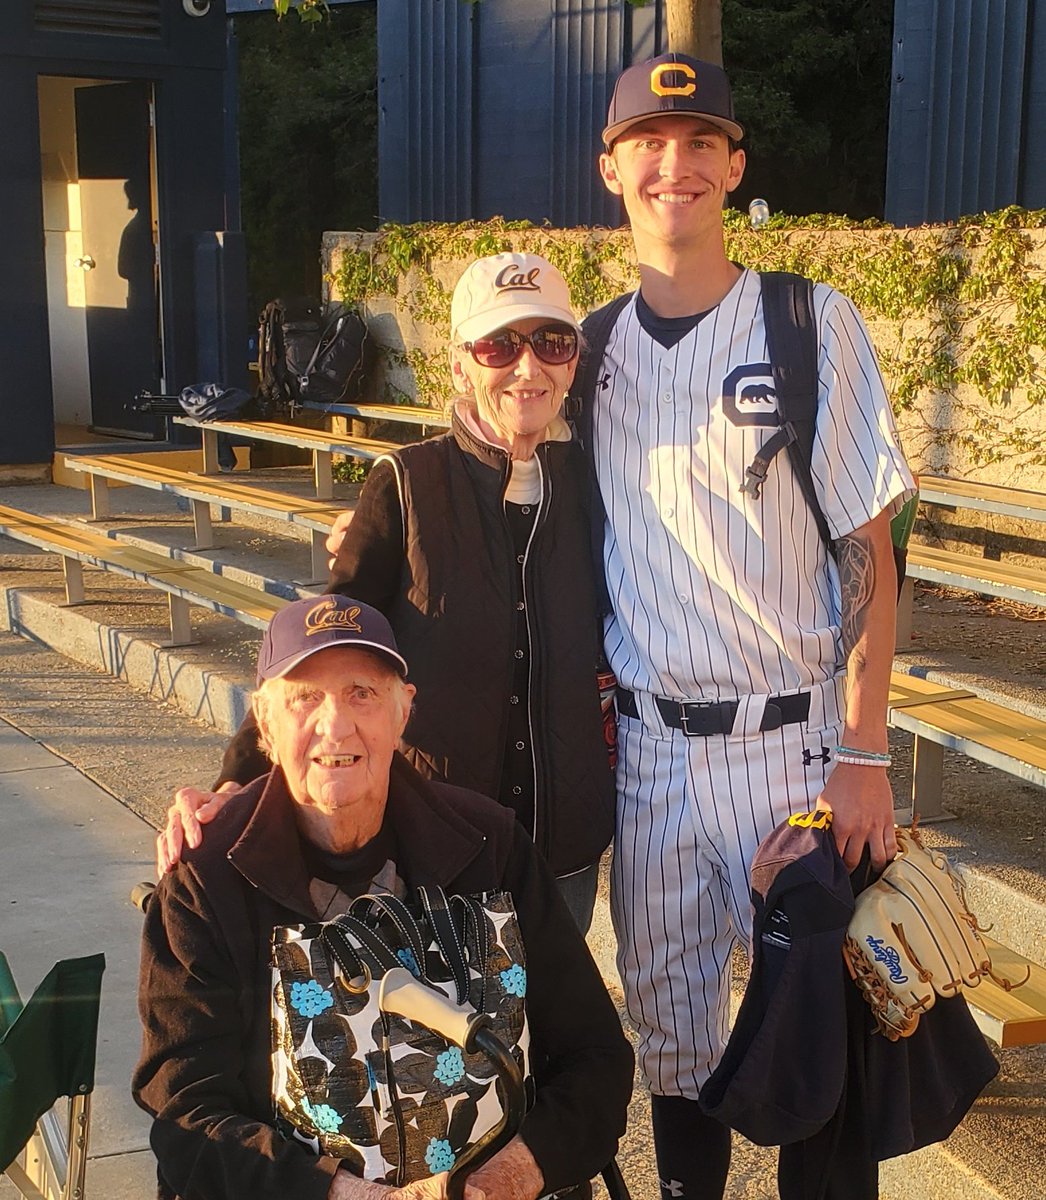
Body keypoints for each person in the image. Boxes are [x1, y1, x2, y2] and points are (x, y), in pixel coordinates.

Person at [574, 54, 916, 1200]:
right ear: (611, 167)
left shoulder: (804, 320)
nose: (673, 164)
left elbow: (870, 556)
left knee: (820, 1037)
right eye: (648, 143)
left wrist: (864, 756)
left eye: (698, 141)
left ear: (732, 165)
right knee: (672, 1047)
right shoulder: (585, 353)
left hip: (796, 748)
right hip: (656, 753)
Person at [157, 253, 615, 934]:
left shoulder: (602, 484)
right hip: (440, 845)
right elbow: (325, 652)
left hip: (563, 850)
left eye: (550, 342)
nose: (528, 368)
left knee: (553, 1035)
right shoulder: (406, 484)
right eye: (499, 345)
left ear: (573, 361)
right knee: (438, 1037)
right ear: (460, 364)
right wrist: (234, 785)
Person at [133, 594, 633, 1200]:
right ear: (265, 725)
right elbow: (187, 1114)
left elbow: (596, 1056)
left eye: (362, 693)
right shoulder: (206, 878)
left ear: (403, 713)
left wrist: (504, 1179)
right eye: (305, 697)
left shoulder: (490, 845)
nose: (336, 724)